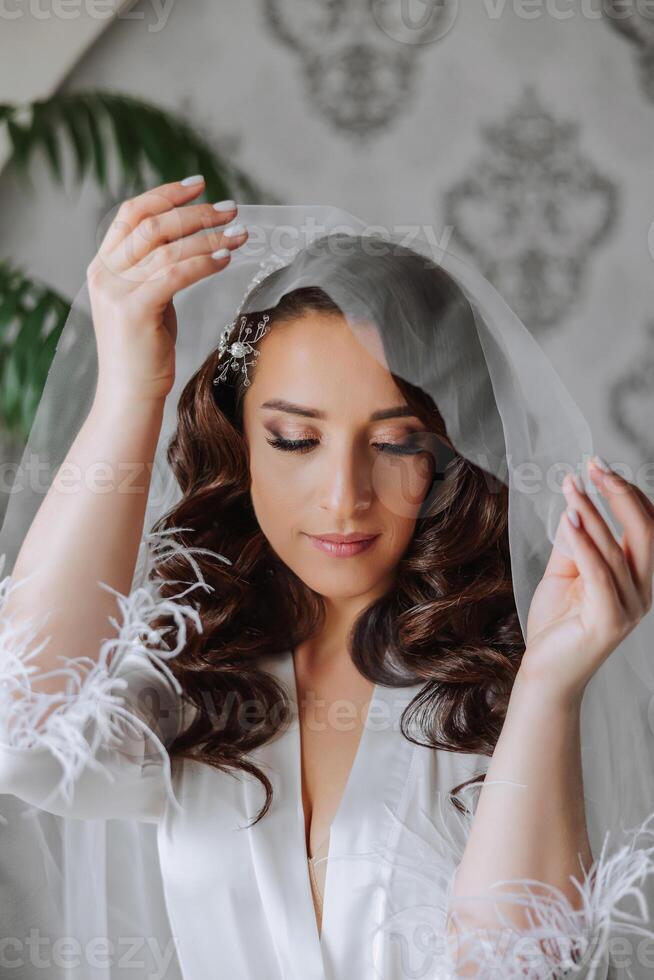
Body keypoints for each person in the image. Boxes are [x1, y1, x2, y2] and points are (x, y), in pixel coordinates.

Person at [1, 185, 654, 980]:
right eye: (295, 438)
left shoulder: (509, 676)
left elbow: (518, 968)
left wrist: (548, 685)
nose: (344, 496)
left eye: (395, 443)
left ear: (451, 454)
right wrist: (132, 389)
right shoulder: (197, 671)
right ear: (237, 438)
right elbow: (22, 732)